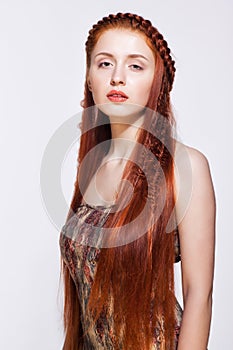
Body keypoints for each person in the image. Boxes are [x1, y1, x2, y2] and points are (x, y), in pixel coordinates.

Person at [59, 12, 216, 350]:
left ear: (157, 81)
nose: (117, 78)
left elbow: (198, 295)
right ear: (89, 77)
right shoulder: (93, 166)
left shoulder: (185, 166)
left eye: (135, 66)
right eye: (104, 64)